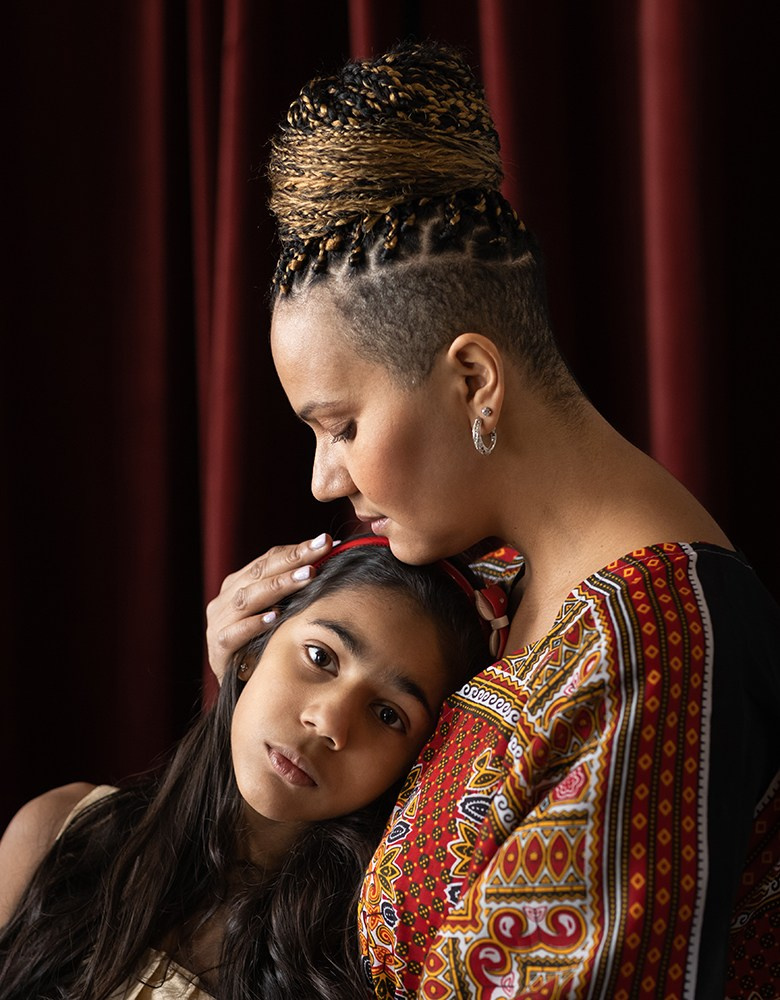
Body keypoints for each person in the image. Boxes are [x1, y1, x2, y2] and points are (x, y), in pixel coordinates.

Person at [205, 40, 780, 999]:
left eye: (342, 427)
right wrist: (241, 695)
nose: (322, 479)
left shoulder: (656, 643)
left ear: (474, 378)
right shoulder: (495, 582)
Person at [0, 537, 496, 1000]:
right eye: (320, 657)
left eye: (388, 715)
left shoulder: (369, 965)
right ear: (251, 652)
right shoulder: (57, 831)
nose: (329, 723)